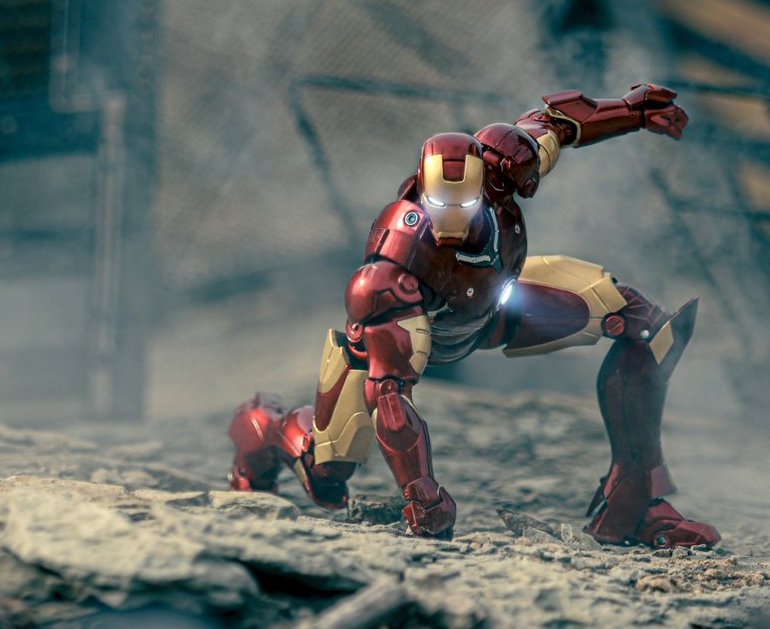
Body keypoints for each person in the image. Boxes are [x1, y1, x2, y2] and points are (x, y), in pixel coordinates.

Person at [226, 84, 720, 548]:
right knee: (324, 470)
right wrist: (422, 495)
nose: (452, 220)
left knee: (643, 324)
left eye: (464, 202)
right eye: (440, 203)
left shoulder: (504, 168)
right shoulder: (390, 271)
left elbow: (563, 121)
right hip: (403, 343)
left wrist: (633, 110)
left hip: (496, 308)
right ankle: (260, 427)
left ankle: (634, 504)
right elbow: (389, 399)